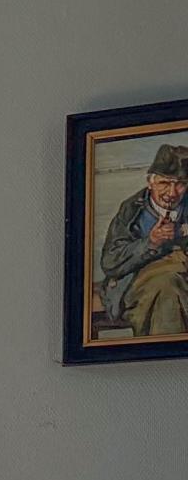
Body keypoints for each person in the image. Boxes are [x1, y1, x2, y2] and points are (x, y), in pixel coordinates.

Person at [98, 142, 188, 337]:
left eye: (180, 184)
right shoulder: (132, 210)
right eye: (164, 183)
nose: (172, 193)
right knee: (167, 288)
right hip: (141, 283)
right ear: (150, 182)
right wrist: (151, 242)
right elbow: (110, 262)